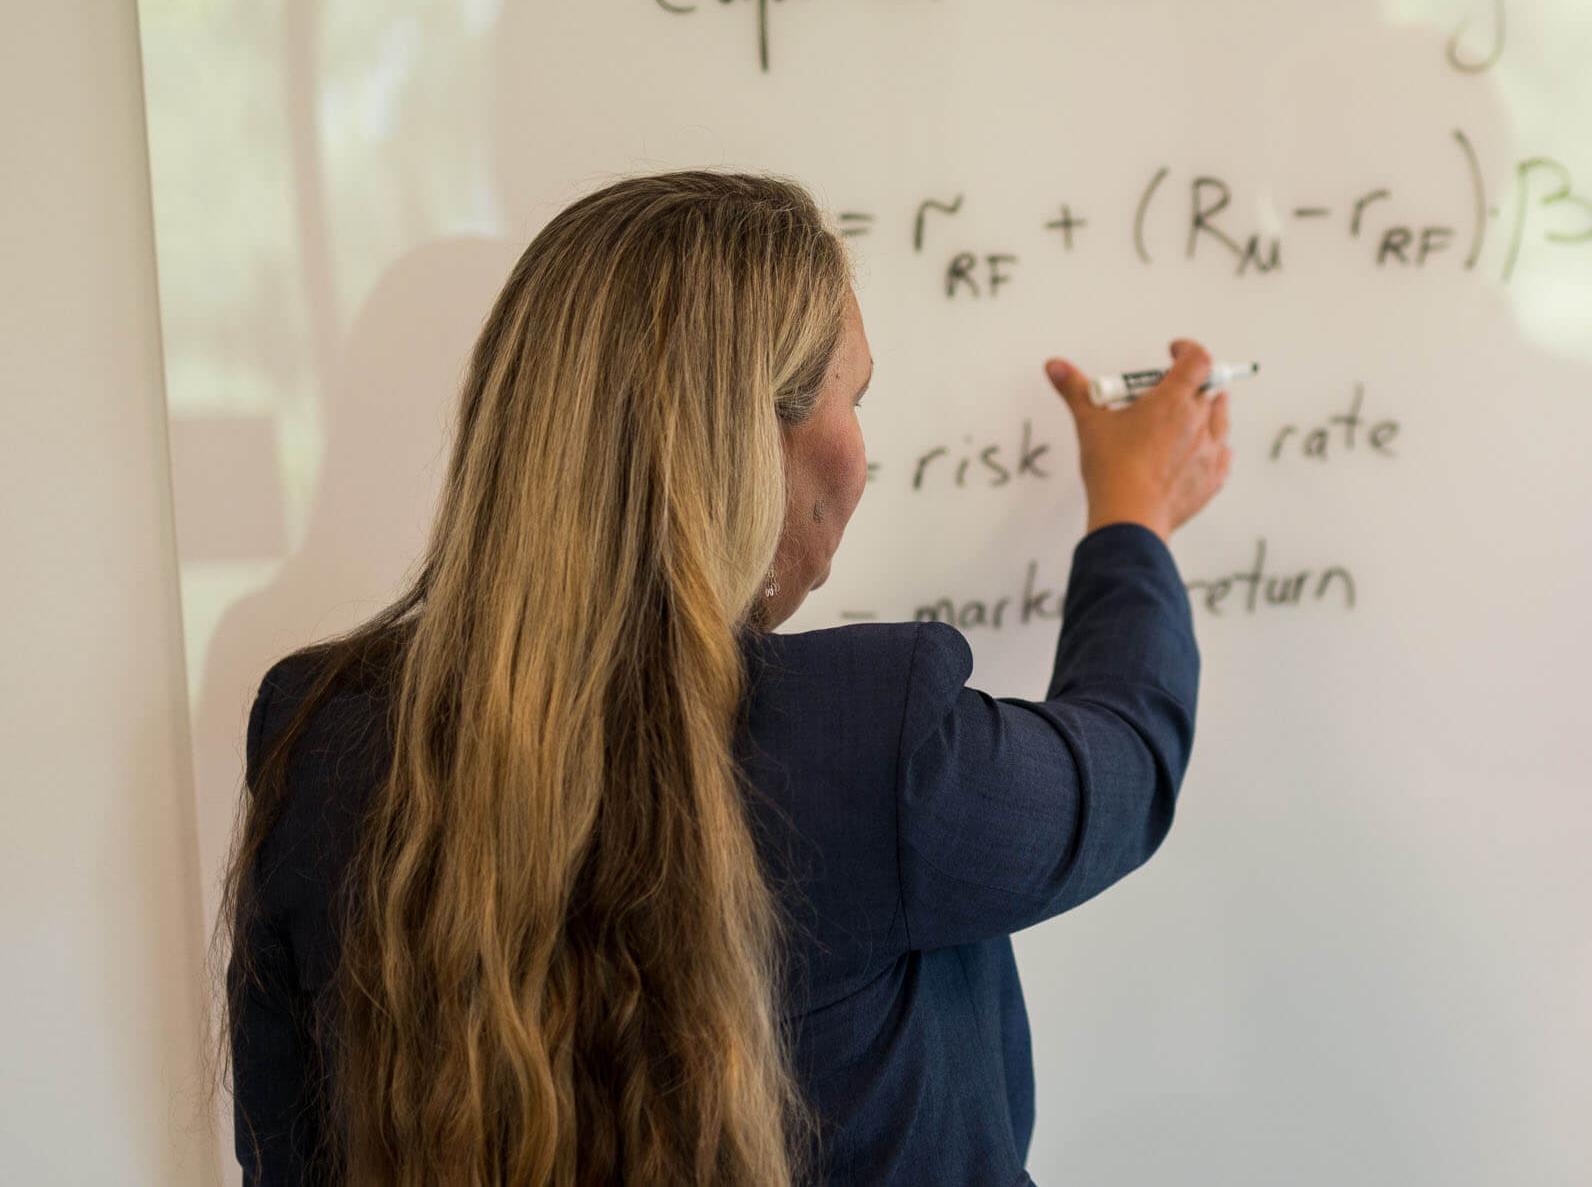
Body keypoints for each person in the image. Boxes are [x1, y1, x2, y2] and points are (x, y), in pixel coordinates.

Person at [224, 170, 1232, 1185]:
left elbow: (284, 1154)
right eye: (857, 396)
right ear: (753, 440)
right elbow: (1126, 762)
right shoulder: (866, 750)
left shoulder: (320, 742)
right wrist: (1132, 516)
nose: (862, 453)